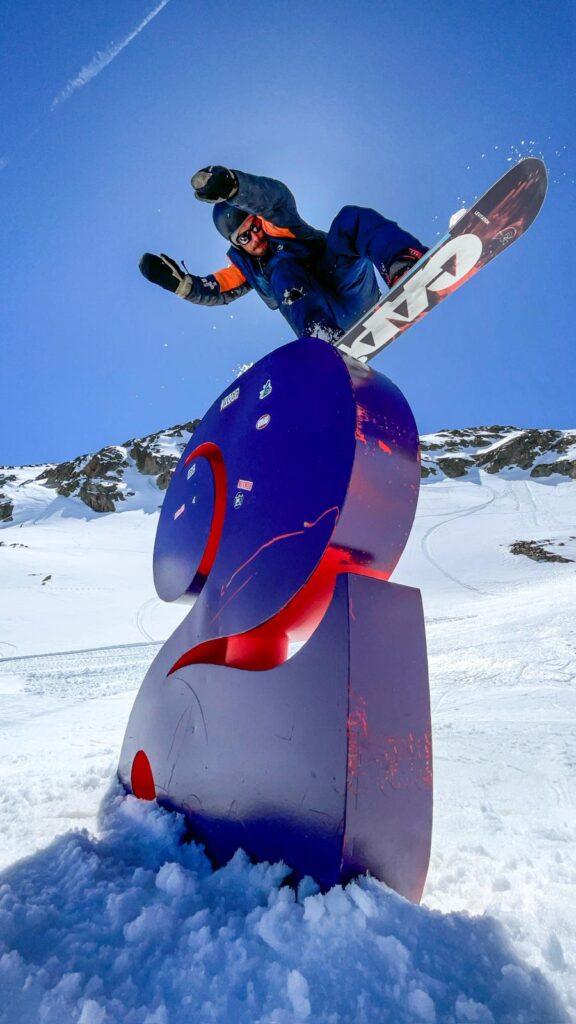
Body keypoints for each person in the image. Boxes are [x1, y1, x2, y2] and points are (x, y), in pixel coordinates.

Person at [139, 165, 427, 343]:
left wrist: (234, 186)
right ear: (236, 244)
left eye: (255, 227)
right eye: (244, 237)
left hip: (350, 288)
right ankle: (320, 338)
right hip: (324, 318)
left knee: (350, 218)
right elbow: (214, 289)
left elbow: (274, 199)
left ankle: (403, 263)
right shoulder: (246, 269)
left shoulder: (280, 225)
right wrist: (183, 286)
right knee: (281, 272)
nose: (255, 237)